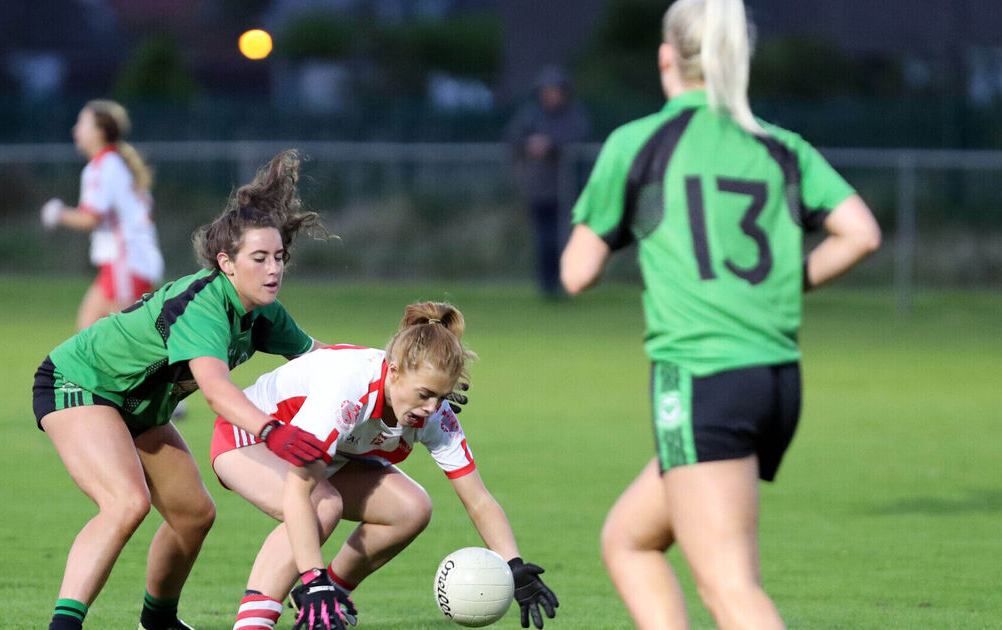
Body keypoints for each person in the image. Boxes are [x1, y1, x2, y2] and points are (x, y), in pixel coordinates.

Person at [559, 1, 882, 628]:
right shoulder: (780, 146)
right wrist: (781, 288)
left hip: (702, 378)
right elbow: (860, 233)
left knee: (731, 591)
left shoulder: (640, 142)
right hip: (775, 382)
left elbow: (576, 272)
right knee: (629, 541)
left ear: (665, 57)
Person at [31, 149, 338, 630]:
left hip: (140, 408)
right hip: (80, 382)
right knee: (126, 503)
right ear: (226, 263)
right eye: (259, 258)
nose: (273, 269)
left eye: (279, 257)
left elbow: (325, 359)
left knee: (193, 515)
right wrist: (272, 431)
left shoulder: (263, 312)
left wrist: (401, 371)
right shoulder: (205, 306)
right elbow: (216, 391)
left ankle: (158, 623)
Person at [209, 302, 559, 630]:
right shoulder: (348, 390)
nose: (431, 407)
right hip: (247, 439)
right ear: (393, 372)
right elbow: (299, 490)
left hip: (325, 458)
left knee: (412, 507)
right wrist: (310, 577)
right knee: (323, 504)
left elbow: (478, 499)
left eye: (441, 396)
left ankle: (331, 598)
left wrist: (514, 566)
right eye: (424, 394)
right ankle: (255, 622)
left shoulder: (435, 415)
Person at [40, 99, 165, 332]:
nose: (75, 129)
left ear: (99, 132)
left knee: (120, 341)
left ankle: (194, 364)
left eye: (82, 123)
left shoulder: (103, 166)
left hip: (126, 263)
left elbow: (89, 218)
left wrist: (57, 213)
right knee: (94, 336)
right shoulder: (114, 163)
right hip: (131, 262)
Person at [504, 65, 591, 299]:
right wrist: (529, 145)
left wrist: (551, 146)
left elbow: (579, 138)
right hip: (540, 190)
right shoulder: (531, 116)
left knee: (567, 239)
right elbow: (513, 137)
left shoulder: (573, 115)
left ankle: (570, 282)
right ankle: (548, 286)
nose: (551, 95)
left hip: (570, 191)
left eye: (555, 90)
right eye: (547, 90)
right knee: (544, 239)